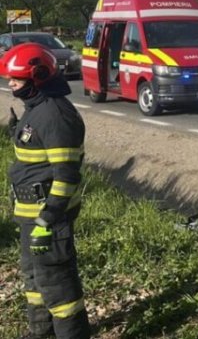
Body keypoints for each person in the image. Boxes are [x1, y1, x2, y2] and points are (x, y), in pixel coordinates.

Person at [2, 42, 90, 339]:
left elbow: (67, 175)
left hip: (48, 219)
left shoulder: (55, 115)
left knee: (59, 287)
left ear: (38, 76)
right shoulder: (35, 108)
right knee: (34, 280)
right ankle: (41, 333)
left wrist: (47, 219)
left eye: (16, 79)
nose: (10, 84)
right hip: (31, 217)